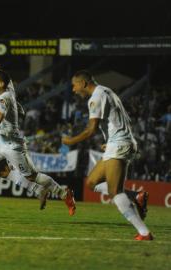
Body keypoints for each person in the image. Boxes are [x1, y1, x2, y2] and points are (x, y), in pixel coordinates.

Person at [0, 70, 76, 216]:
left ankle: (64, 194)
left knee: (32, 176)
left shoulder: (4, 97)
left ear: (2, 83)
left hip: (12, 145)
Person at [62, 70, 153, 241]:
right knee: (91, 183)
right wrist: (111, 139)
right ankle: (136, 197)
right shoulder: (107, 91)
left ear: (83, 83)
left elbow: (91, 129)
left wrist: (71, 141)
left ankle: (144, 232)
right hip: (118, 142)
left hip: (119, 145)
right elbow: (121, 118)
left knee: (114, 192)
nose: (74, 90)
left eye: (74, 85)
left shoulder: (95, 97)